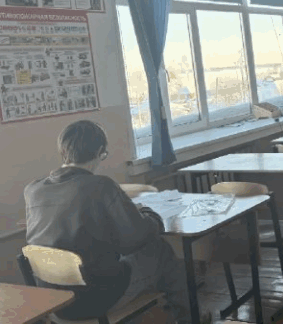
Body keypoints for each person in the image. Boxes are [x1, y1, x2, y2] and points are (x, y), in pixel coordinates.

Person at [24, 120, 202, 324]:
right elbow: (135, 240)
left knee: (115, 257)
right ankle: (189, 318)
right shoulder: (101, 186)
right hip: (94, 297)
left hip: (53, 299)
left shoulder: (33, 190)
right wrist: (149, 214)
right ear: (100, 151)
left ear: (63, 151)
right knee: (160, 250)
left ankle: (156, 314)